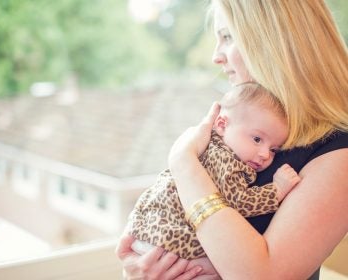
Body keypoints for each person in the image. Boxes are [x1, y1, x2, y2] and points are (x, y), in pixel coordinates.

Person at [116, 0, 348, 279]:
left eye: (227, 37)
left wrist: (183, 161)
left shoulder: (337, 152)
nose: (216, 56)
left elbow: (261, 275)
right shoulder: (237, 125)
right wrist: (144, 267)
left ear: (274, 40)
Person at [127, 83, 300, 260]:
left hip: (150, 230)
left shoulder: (209, 145)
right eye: (257, 139)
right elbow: (238, 202)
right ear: (222, 125)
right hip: (170, 237)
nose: (265, 154)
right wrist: (276, 191)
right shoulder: (226, 160)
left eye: (273, 149)